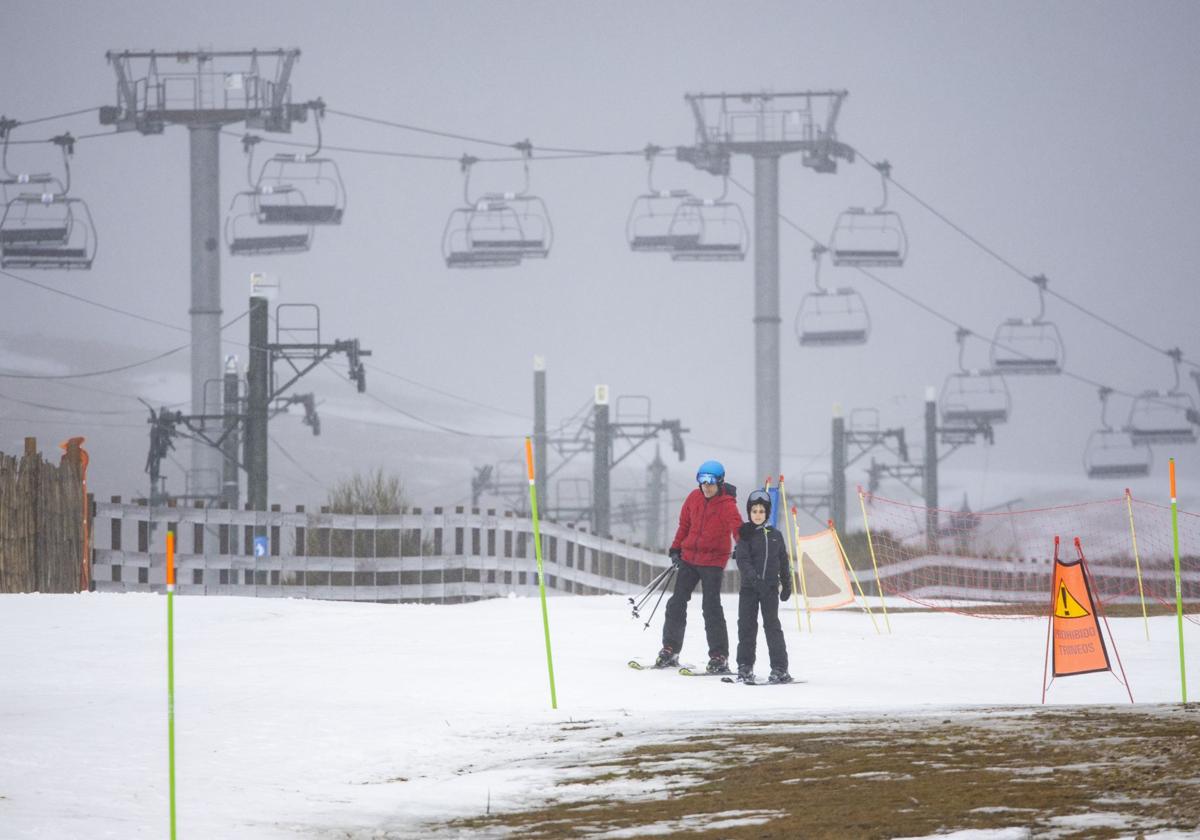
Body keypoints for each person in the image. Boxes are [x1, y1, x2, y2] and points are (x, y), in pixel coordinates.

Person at [655, 459, 743, 674]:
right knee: (676, 603)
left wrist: (743, 547)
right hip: (689, 559)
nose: (706, 485)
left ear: (720, 482)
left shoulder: (727, 504)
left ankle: (719, 656)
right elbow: (684, 525)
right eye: (702, 481)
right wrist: (676, 549)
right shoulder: (694, 498)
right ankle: (670, 649)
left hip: (713, 562)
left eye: (711, 481)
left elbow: (737, 528)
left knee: (711, 607)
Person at [733, 488, 793, 684]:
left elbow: (783, 561)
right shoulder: (745, 534)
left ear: (767, 513)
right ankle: (745, 666)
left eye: (761, 511)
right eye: (754, 511)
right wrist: (754, 580)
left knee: (772, 627)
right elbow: (743, 560)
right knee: (747, 627)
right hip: (750, 589)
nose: (757, 515)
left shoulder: (775, 535)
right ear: (749, 513)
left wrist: (786, 583)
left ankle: (779, 668)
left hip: (769, 589)